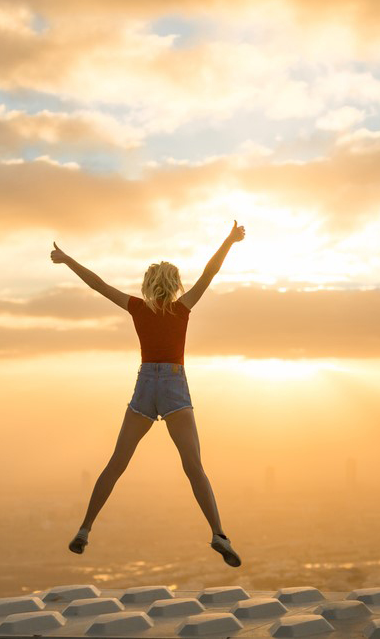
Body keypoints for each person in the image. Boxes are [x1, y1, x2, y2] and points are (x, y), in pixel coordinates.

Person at [50, 221, 246, 567]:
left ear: (148, 285)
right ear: (174, 285)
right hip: (174, 385)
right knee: (194, 467)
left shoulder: (137, 308)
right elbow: (210, 272)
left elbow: (97, 283)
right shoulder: (182, 308)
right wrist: (229, 240)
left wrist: (67, 259)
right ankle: (218, 532)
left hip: (144, 387)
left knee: (116, 464)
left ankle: (84, 529)